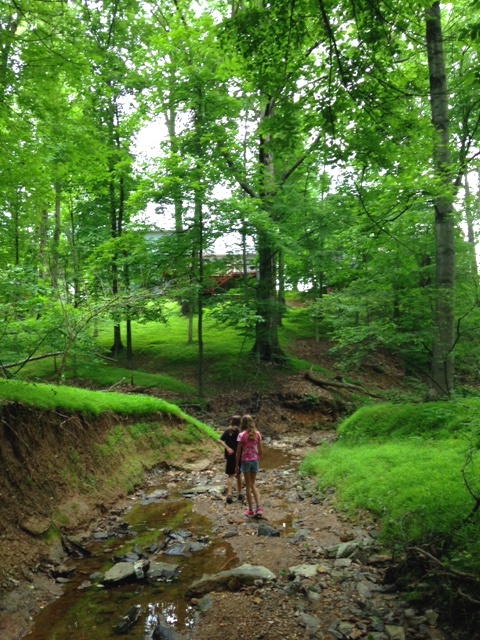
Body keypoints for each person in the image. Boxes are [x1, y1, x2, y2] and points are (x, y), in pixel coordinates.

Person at [235, 414, 262, 517]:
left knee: (247, 485)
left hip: (245, 462)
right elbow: (260, 450)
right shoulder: (257, 434)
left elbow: (238, 452)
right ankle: (258, 508)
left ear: (243, 423)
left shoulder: (241, 435)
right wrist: (257, 458)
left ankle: (250, 510)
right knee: (253, 484)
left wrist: (236, 465)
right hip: (255, 461)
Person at [219, 415, 244, 504]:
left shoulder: (228, 431)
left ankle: (229, 494)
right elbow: (240, 444)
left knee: (230, 475)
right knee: (239, 474)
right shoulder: (239, 432)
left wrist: (228, 448)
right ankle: (240, 494)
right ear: (240, 422)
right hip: (238, 455)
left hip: (229, 455)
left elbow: (220, 440)